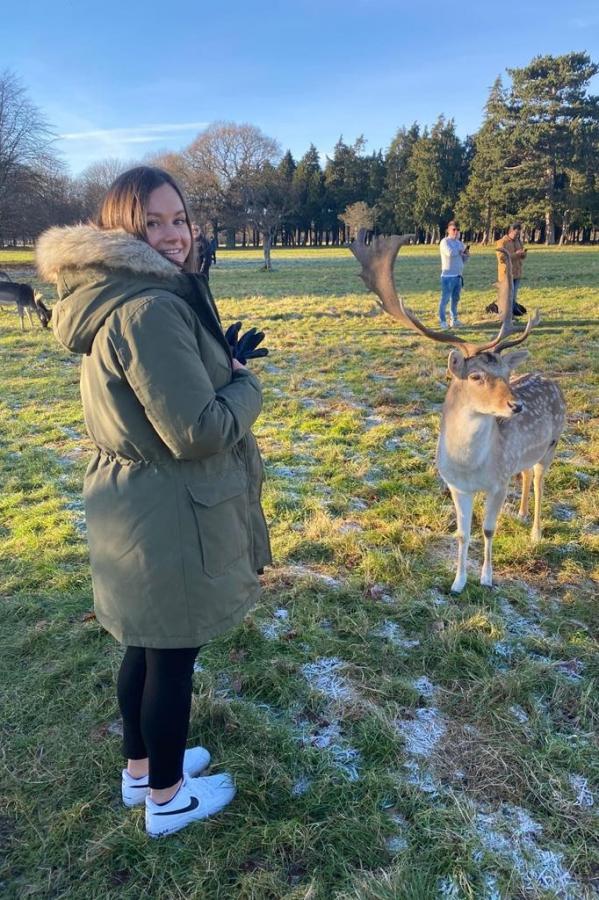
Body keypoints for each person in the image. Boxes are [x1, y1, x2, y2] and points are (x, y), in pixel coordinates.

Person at [36, 166, 271, 838]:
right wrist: (247, 386)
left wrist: (215, 356)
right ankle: (167, 798)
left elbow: (159, 386)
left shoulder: (122, 293)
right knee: (170, 653)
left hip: (134, 500)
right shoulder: (150, 307)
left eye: (179, 219)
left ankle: (141, 769)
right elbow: (197, 430)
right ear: (120, 231)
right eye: (153, 224)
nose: (172, 235)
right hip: (166, 508)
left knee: (144, 644)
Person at [438, 220, 469, 329]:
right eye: (454, 230)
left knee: (455, 299)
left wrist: (466, 255)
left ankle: (454, 320)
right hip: (447, 276)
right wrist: (461, 251)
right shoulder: (444, 242)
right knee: (445, 299)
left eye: (458, 230)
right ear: (448, 230)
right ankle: (442, 321)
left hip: (458, 276)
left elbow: (463, 260)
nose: (456, 232)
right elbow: (450, 253)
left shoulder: (459, 243)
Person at [496, 223, 527, 316]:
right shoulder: (501, 242)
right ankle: (504, 314)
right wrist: (515, 254)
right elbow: (501, 258)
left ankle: (512, 312)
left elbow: (522, 257)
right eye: (516, 233)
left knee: (513, 296)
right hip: (506, 274)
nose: (517, 236)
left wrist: (523, 254)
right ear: (511, 231)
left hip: (517, 273)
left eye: (519, 234)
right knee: (506, 296)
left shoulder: (519, 242)